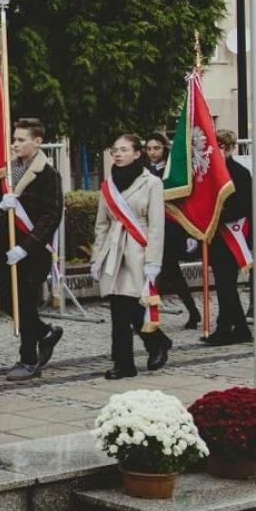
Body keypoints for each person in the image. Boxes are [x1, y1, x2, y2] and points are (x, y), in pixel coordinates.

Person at [93, 133, 174, 379]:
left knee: (132, 306)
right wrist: (97, 257)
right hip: (114, 250)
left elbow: (157, 225)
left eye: (124, 150)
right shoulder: (109, 184)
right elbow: (102, 224)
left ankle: (156, 341)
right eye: (114, 150)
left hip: (139, 249)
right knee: (118, 308)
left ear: (137, 154)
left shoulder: (151, 183)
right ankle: (124, 363)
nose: (117, 154)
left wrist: (153, 261)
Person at [0, 119, 65, 380]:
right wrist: (1, 206)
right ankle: (44, 332)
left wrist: (26, 247)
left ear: (37, 142)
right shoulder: (7, 171)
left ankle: (28, 360)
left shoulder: (48, 174)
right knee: (7, 298)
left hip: (32, 251)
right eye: (14, 139)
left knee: (25, 303)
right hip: (6, 248)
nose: (15, 144)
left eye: (21, 139)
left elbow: (51, 215)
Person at [143, 131, 202, 329]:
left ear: (164, 149)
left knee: (166, 271)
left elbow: (183, 204)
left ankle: (146, 316)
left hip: (171, 229)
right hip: (151, 229)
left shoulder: (171, 173)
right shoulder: (144, 172)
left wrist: (188, 233)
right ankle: (193, 312)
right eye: (149, 148)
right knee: (170, 274)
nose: (152, 152)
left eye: (156, 148)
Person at [203, 129, 252, 345]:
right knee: (224, 284)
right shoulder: (209, 172)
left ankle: (224, 328)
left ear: (231, 148)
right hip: (214, 235)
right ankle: (240, 328)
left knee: (227, 284)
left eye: (223, 147)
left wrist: (216, 215)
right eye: (216, 146)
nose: (219, 150)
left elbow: (243, 206)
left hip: (232, 233)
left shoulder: (240, 172)